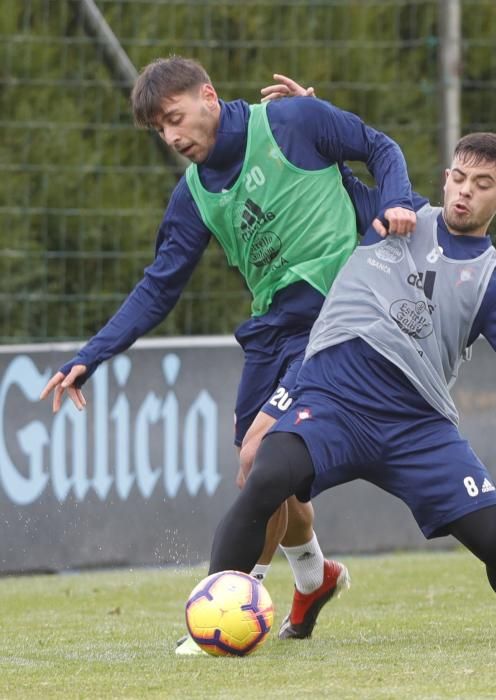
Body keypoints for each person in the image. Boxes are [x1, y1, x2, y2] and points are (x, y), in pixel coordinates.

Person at [38, 57, 417, 654]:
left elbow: (379, 146)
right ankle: (315, 578)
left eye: (175, 118)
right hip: (273, 331)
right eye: (160, 130)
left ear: (208, 96)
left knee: (258, 455)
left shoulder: (292, 120)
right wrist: (93, 354)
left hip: (337, 314)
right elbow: (159, 285)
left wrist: (393, 206)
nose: (171, 136)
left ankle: (233, 603)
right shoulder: (192, 196)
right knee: (279, 486)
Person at [207, 130, 496, 644]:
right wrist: (304, 119)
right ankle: (213, 618)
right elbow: (324, 172)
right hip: (334, 395)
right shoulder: (393, 214)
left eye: (483, 184)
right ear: (446, 178)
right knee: (267, 476)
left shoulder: (495, 281)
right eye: (459, 178)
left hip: (416, 423)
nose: (465, 191)